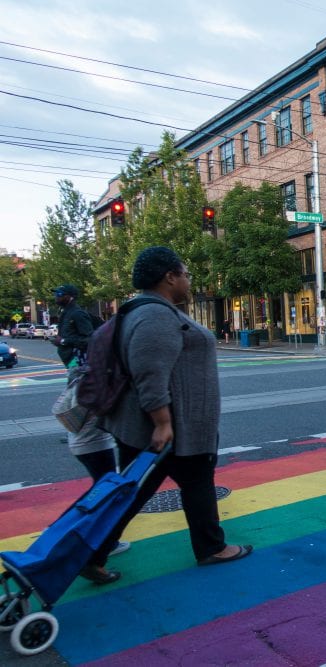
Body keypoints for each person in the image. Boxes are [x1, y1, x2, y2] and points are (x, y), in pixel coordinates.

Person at [80, 246, 252, 585]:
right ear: (169, 277)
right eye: (185, 273)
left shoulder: (143, 310)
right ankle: (212, 549)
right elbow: (149, 371)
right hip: (172, 427)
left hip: (164, 425)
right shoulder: (155, 315)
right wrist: (162, 423)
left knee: (134, 493)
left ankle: (92, 554)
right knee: (194, 483)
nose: (188, 280)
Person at [52, 284, 131, 557]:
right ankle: (80, 539)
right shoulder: (94, 377)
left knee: (104, 489)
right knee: (104, 491)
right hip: (92, 442)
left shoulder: (83, 375)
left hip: (85, 440)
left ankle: (77, 537)